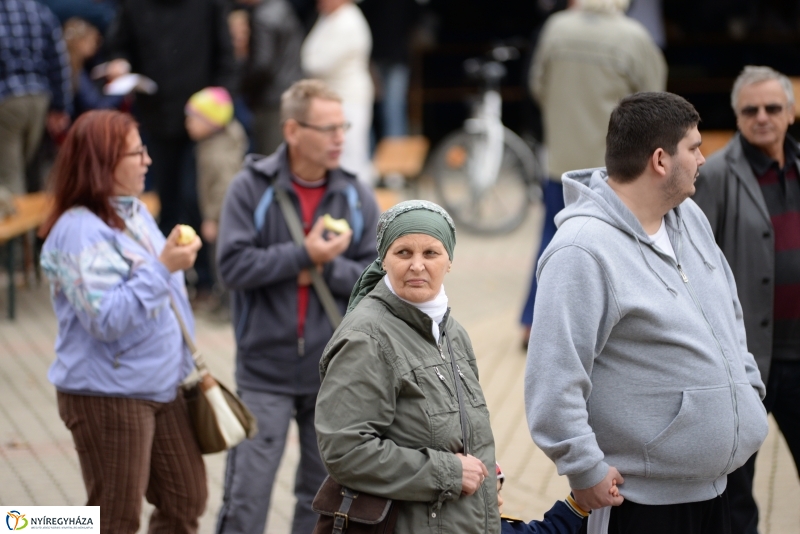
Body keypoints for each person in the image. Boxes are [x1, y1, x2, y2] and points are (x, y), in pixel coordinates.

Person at [525, 92, 769, 533]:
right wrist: (585, 469)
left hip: (720, 488)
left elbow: (730, 317)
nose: (703, 158)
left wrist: (747, 393)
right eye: (693, 148)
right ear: (660, 159)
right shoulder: (582, 250)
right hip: (643, 505)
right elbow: (553, 377)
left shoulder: (689, 216)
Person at [215, 79, 380, 534]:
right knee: (246, 500)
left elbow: (378, 277)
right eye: (327, 128)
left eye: (342, 126)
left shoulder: (355, 194)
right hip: (263, 370)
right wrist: (304, 256)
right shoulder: (250, 188)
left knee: (319, 502)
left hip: (333, 374)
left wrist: (324, 268)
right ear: (292, 130)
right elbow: (230, 266)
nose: (340, 138)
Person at [38, 110, 206, 534]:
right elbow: (106, 319)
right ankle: (21, 524)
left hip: (160, 383)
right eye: (136, 152)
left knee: (186, 498)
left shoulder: (132, 211)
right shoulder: (78, 230)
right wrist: (164, 266)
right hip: (107, 392)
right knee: (112, 519)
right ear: (103, 161)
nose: (147, 160)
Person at [314, 199, 499, 533]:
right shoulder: (366, 338)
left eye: (430, 253)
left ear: (450, 261)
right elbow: (345, 450)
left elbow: (457, 430)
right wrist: (451, 473)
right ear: (384, 259)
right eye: (403, 253)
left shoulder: (452, 331)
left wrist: (486, 477)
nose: (417, 265)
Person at [519, 0, 666, 345]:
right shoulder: (634, 37)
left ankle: (533, 322)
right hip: (613, 165)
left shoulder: (556, 28)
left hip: (561, 158)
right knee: (614, 244)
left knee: (552, 238)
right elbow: (655, 103)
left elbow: (537, 85)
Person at [693, 65, 800, 534]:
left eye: (772, 108)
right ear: (736, 116)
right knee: (736, 493)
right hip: (744, 363)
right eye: (750, 110)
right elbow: (694, 267)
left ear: (791, 113)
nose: (762, 117)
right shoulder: (713, 176)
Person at [0, 0, 72, 195]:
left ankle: (19, 225)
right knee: (33, 171)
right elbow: (59, 58)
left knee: (8, 177)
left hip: (6, 101)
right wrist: (60, 105)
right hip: (40, 98)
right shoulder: (37, 9)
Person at [301, 0, 374, 184]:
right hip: (331, 99)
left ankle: (358, 203)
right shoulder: (328, 17)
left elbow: (317, 64)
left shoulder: (349, 20)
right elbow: (307, 53)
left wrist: (310, 58)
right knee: (335, 155)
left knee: (351, 154)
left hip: (350, 99)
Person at [240, 0, 304, 155]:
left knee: (271, 158)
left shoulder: (263, 16)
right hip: (292, 93)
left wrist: (243, 86)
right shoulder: (282, 7)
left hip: (271, 100)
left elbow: (262, 65)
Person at [497, 463, 593, 534]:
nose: (500, 501)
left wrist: (577, 506)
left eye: (498, 491)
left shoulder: (499, 528)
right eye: (488, 496)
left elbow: (547, 531)